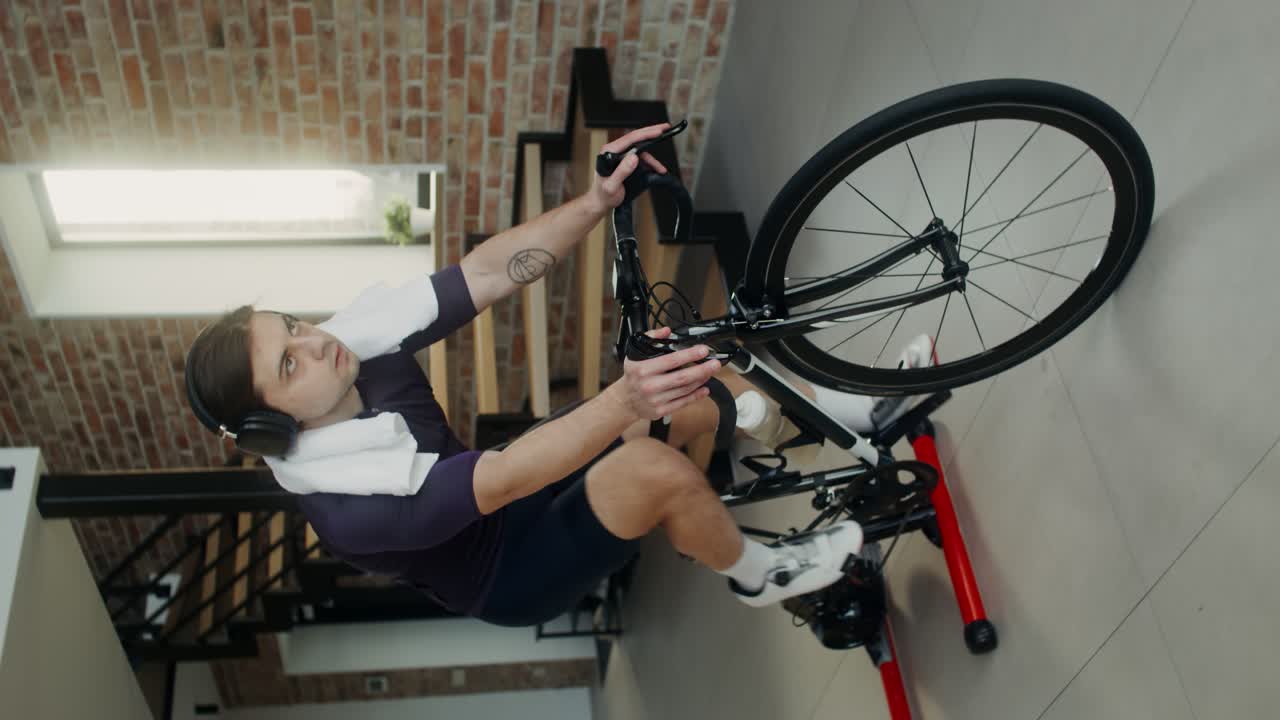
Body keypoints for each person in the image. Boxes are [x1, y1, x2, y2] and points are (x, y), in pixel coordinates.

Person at [183, 124, 935, 627]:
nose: (314, 343)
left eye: (294, 325)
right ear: (270, 426)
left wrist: (595, 200)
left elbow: (484, 274)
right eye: (289, 362)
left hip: (510, 490)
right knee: (645, 460)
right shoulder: (350, 510)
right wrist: (621, 401)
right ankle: (761, 574)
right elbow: (502, 477)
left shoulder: (352, 343)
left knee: (687, 378)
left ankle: (859, 413)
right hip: (507, 570)